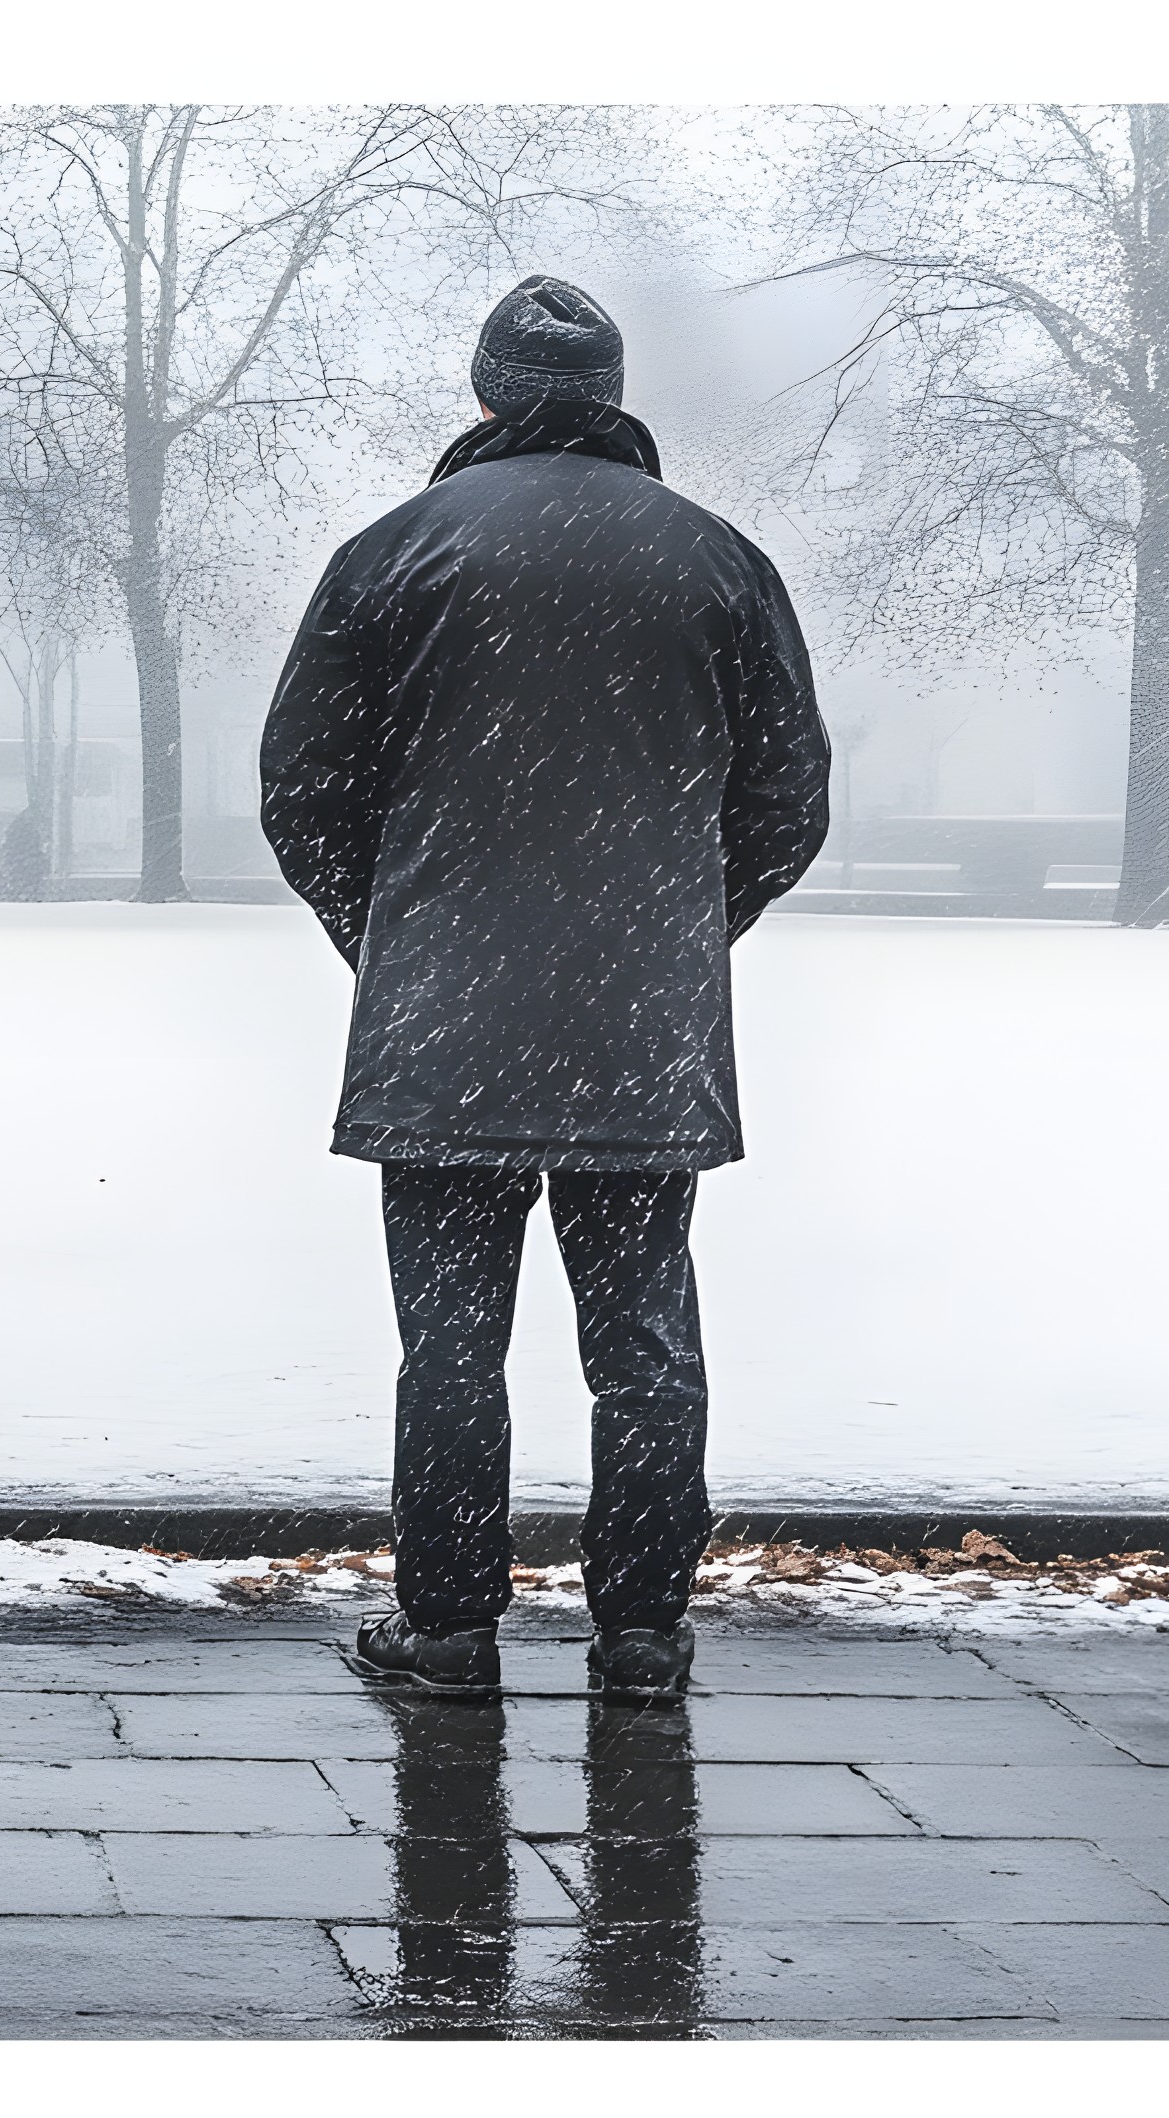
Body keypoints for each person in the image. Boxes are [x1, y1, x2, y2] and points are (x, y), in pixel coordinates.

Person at [259, 275, 830, 1701]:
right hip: (641, 1027)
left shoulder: (395, 554)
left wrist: (399, 938)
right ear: (612, 397)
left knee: (450, 1346)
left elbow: (303, 790)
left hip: (445, 1022)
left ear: (486, 396)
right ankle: (641, 1634)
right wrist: (676, 932)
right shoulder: (719, 563)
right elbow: (788, 799)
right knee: (643, 1341)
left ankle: (448, 1630)